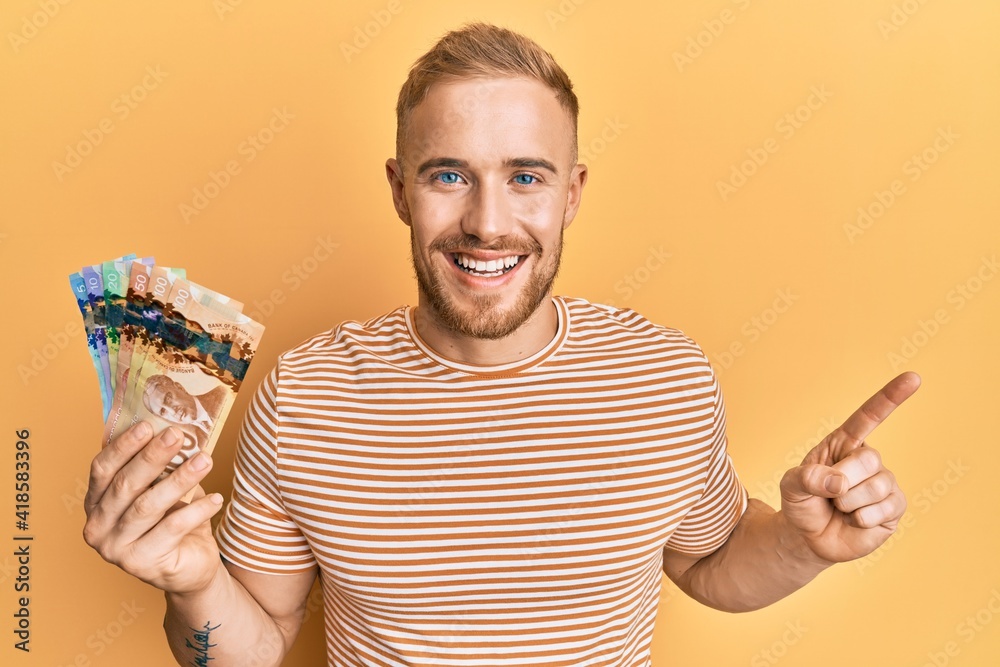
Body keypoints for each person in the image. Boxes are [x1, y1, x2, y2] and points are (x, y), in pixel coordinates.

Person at [83, 22, 921, 666]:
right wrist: (192, 585)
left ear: (573, 193)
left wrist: (803, 546)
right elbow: (253, 646)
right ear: (400, 190)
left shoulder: (666, 377)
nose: (487, 222)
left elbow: (713, 563)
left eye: (526, 176)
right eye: (449, 174)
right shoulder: (305, 395)